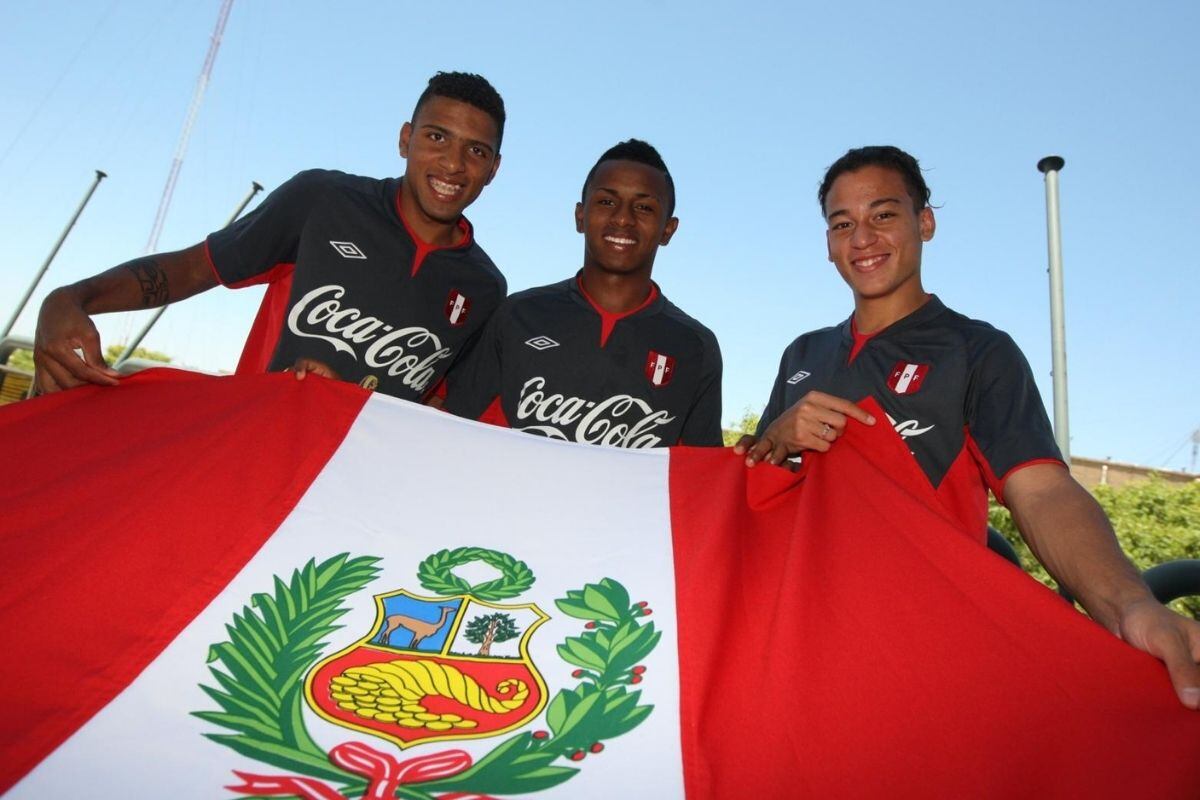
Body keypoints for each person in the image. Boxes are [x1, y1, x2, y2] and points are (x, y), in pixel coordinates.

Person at [735, 145, 1200, 709]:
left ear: (924, 222)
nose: (862, 238)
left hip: (922, 655)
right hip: (801, 648)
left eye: (883, 214)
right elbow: (750, 496)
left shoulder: (978, 350)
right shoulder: (802, 352)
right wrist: (778, 439)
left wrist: (1131, 606)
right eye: (842, 223)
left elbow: (1043, 491)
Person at [33, 71, 507, 401]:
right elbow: (195, 268)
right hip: (250, 451)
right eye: (437, 137)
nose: (452, 164)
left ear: (493, 170)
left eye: (476, 151)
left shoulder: (486, 288)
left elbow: (438, 407)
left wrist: (348, 400)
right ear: (406, 138)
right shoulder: (324, 200)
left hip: (348, 497)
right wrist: (73, 299)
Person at [441, 139, 722, 448]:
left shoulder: (696, 347)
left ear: (668, 230)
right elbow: (453, 431)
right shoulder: (518, 314)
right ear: (579, 216)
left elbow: (699, 477)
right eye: (606, 201)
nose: (623, 218)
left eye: (644, 207)